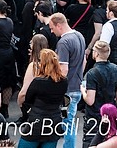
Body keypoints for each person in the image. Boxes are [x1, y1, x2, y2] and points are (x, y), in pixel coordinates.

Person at [17, 49, 67, 148]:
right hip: (54, 121)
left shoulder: (38, 81)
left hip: (37, 120)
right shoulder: (64, 81)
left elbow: (28, 99)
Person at [50, 12, 86, 148]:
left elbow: (63, 70)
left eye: (52, 28)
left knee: (68, 123)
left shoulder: (64, 42)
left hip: (67, 90)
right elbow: (83, 61)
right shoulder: (79, 36)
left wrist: (55, 86)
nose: (52, 32)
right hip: (77, 84)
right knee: (69, 121)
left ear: (59, 25)